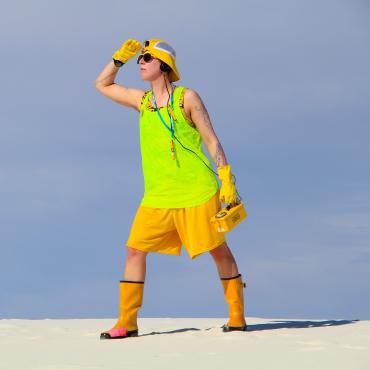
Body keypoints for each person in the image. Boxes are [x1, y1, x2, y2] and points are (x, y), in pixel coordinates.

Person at [95, 39, 247, 339]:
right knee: (135, 250)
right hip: (157, 195)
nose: (141, 62)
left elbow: (211, 139)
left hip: (197, 191)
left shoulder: (187, 98)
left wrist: (226, 179)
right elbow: (102, 84)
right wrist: (117, 60)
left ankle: (237, 316)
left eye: (147, 58)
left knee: (218, 250)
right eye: (139, 58)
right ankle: (127, 322)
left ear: (164, 65)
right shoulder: (143, 102)